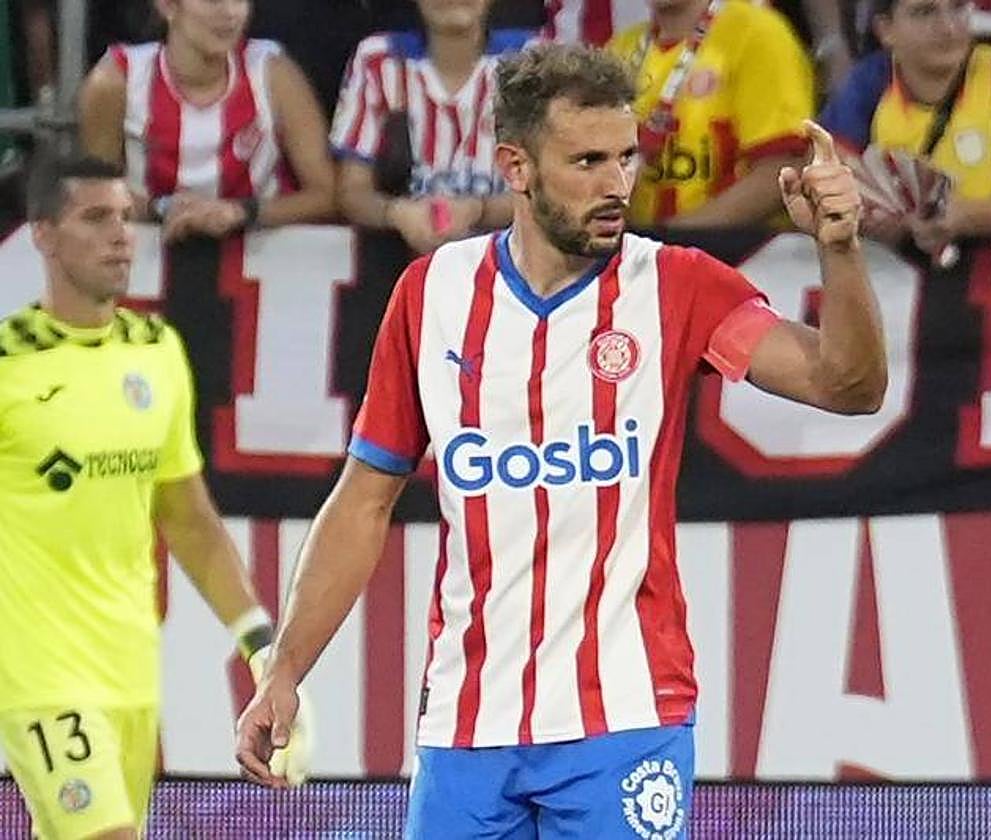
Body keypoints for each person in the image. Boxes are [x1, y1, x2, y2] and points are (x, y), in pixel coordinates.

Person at [237, 43, 882, 835]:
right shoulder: (431, 294)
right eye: (587, 162)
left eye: (625, 158)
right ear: (515, 166)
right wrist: (285, 672)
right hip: (467, 727)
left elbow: (848, 387)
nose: (616, 185)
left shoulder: (677, 285)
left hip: (625, 717)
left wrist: (841, 249)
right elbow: (364, 500)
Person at [0, 155, 310, 840]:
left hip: (130, 668)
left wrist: (261, 647)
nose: (121, 235)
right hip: (38, 674)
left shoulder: (155, 350)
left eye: (125, 216)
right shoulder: (9, 364)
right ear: (43, 234)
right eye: (95, 218)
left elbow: (189, 519)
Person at [76, 0, 335, 243]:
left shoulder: (273, 73)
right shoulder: (115, 81)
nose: (230, 13)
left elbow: (327, 194)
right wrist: (164, 209)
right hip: (144, 264)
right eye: (213, 0)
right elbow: (94, 195)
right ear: (167, 5)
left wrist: (241, 212)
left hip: (262, 267)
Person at [821, 0, 991, 259]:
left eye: (958, 8)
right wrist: (874, 211)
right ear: (886, 30)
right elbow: (825, 172)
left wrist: (963, 215)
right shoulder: (870, 80)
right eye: (924, 12)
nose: (948, 28)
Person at [330, 0, 534, 253]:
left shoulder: (531, 60)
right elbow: (351, 192)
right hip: (401, 263)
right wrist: (397, 214)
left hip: (513, 263)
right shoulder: (378, 60)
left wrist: (478, 210)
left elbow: (550, 191)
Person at [608, 0, 817, 228]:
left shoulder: (756, 33)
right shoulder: (621, 48)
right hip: (643, 252)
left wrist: (670, 244)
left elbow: (781, 170)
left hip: (744, 253)